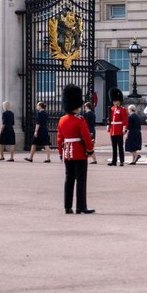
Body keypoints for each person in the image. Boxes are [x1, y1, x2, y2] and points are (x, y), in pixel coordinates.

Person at [57, 84, 95, 215]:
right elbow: (86, 136)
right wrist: (90, 150)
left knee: (69, 180)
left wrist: (61, 153)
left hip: (67, 153)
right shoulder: (80, 119)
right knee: (81, 180)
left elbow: (59, 139)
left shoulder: (61, 120)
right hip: (79, 153)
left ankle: (67, 207)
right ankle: (81, 206)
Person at [107, 87, 127, 166]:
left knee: (120, 147)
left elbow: (125, 120)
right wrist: (108, 125)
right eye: (114, 101)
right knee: (114, 147)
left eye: (116, 101)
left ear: (119, 101)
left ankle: (122, 161)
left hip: (119, 130)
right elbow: (110, 118)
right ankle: (114, 161)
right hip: (113, 130)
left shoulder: (122, 109)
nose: (115, 102)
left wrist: (124, 128)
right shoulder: (112, 109)